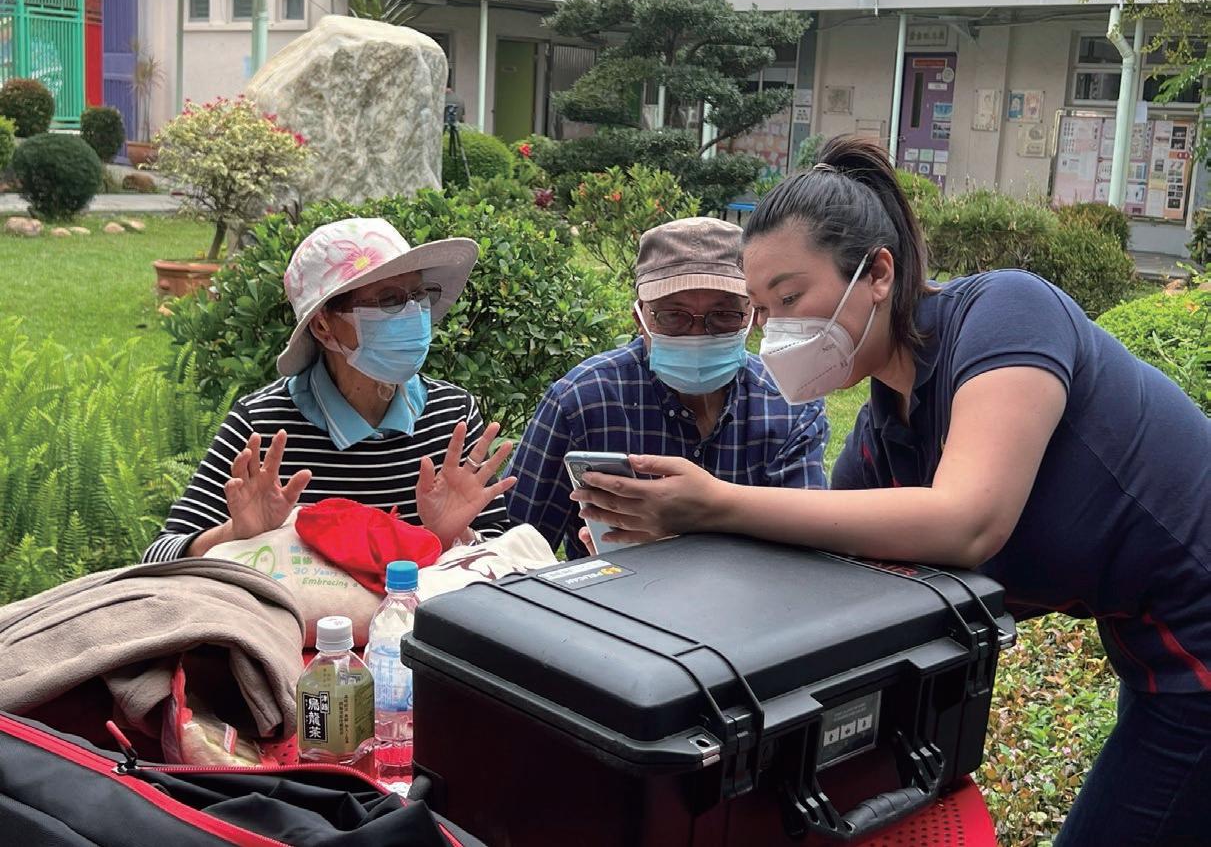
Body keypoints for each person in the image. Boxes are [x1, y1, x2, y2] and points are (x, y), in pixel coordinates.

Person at [569, 136, 1210, 846]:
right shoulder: (883, 435)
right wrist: (670, 553)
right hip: (1153, 648)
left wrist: (716, 503)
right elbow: (824, 588)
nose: (774, 332)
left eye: (790, 297)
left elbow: (968, 521)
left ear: (877, 272)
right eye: (762, 310)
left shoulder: (1007, 314)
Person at [145, 217, 515, 563]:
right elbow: (158, 556)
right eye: (389, 299)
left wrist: (454, 536)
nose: (413, 312)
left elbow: (503, 554)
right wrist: (236, 534)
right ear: (323, 326)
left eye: (419, 295)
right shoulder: (262, 425)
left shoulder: (453, 415)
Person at [504, 216, 828, 558]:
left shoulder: (789, 404)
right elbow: (514, 547)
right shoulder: (581, 401)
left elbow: (810, 550)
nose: (698, 334)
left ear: (751, 315)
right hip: (615, 591)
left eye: (724, 314)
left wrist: (686, 537)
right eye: (673, 315)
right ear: (640, 318)